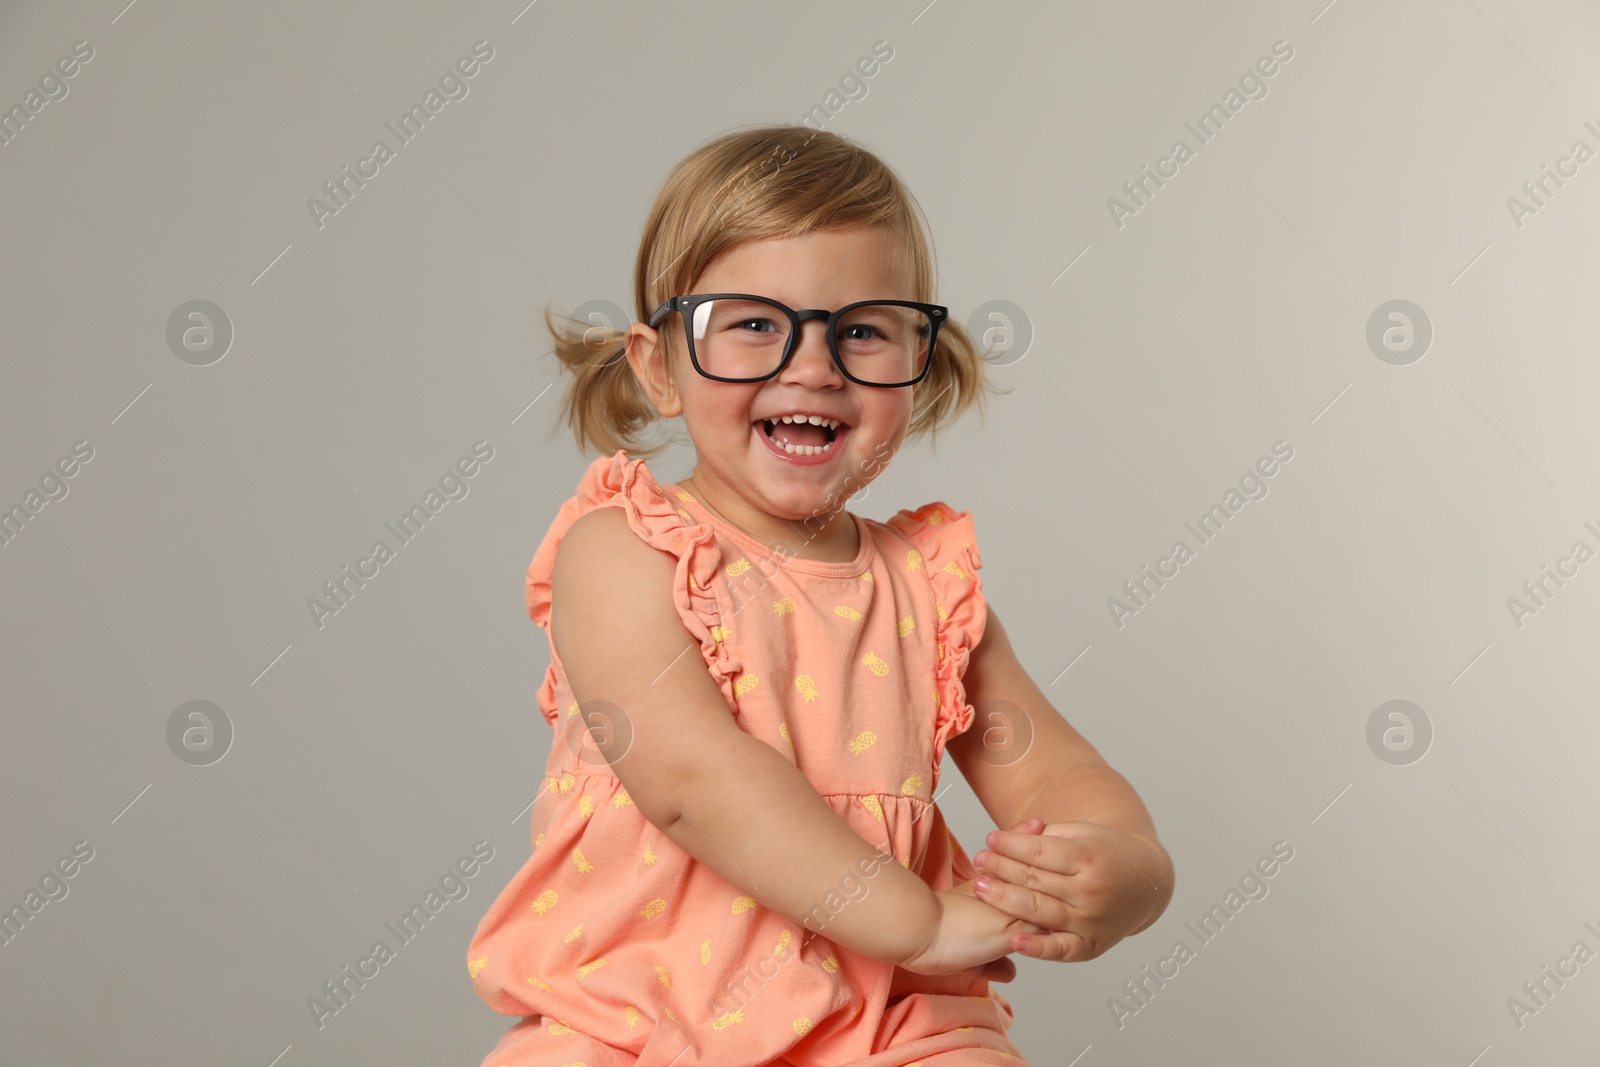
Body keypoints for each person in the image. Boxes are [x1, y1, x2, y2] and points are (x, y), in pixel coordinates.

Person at [465, 124, 1174, 1067]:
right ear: (658, 366)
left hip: (890, 1027)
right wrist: (915, 924)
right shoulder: (624, 552)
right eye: (754, 322)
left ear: (920, 366)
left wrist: (1124, 868)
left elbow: (1051, 773)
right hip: (639, 1019)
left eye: (863, 330)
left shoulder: (929, 595)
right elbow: (691, 781)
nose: (812, 364)